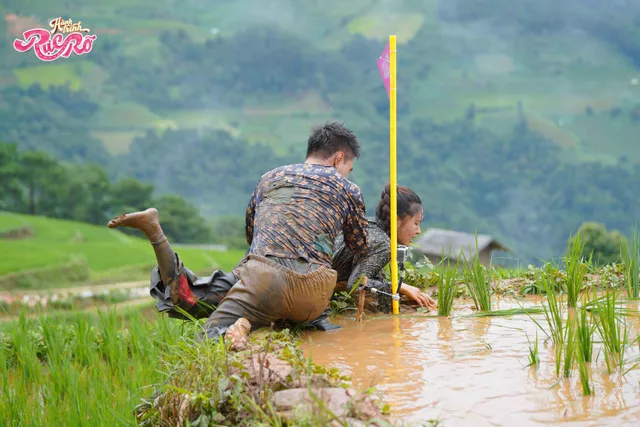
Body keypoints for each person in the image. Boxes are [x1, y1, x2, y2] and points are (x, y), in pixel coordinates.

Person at [107, 121, 369, 343]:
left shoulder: (269, 178)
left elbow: (251, 235)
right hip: (313, 291)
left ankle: (157, 236)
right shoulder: (349, 189)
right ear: (339, 158)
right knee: (261, 298)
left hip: (260, 276)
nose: (347, 174)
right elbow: (359, 246)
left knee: (196, 314)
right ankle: (247, 319)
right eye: (349, 168)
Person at [331, 183, 437, 314]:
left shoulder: (369, 226)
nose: (418, 231)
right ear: (397, 221)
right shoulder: (383, 243)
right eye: (416, 223)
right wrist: (399, 287)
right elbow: (357, 285)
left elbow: (363, 278)